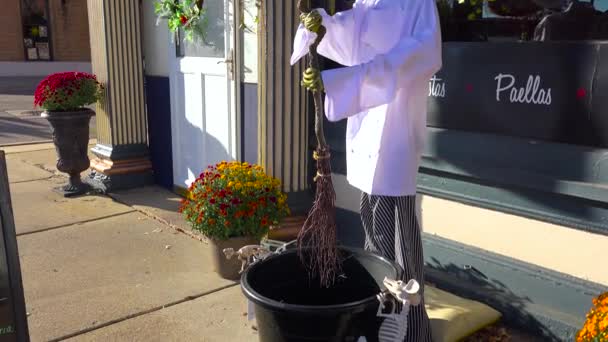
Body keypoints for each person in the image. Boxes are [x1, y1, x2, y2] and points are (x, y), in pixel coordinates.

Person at [291, 0, 442, 341]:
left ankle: (412, 333)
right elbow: (354, 36)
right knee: (376, 241)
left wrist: (343, 80)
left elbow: (422, 54)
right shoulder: (367, 1)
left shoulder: (418, 3)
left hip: (395, 132)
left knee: (400, 245)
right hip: (366, 130)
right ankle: (382, 326)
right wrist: (324, 27)